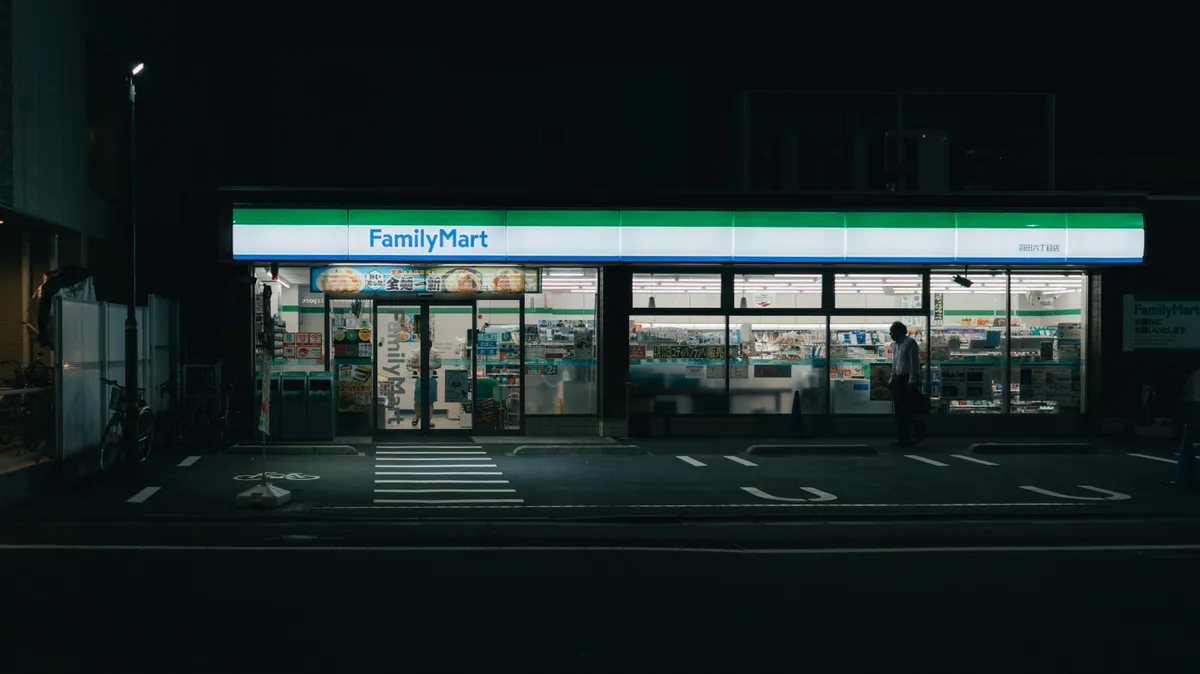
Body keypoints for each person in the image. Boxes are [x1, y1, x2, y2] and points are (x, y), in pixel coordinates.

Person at [888, 321, 926, 446]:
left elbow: (914, 364)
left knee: (905, 410)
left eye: (892, 332)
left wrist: (912, 381)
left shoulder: (910, 343)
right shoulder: (896, 345)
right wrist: (892, 377)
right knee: (899, 410)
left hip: (907, 380)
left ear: (899, 332)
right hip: (899, 379)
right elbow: (895, 363)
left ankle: (914, 432)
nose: (891, 334)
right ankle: (904, 437)